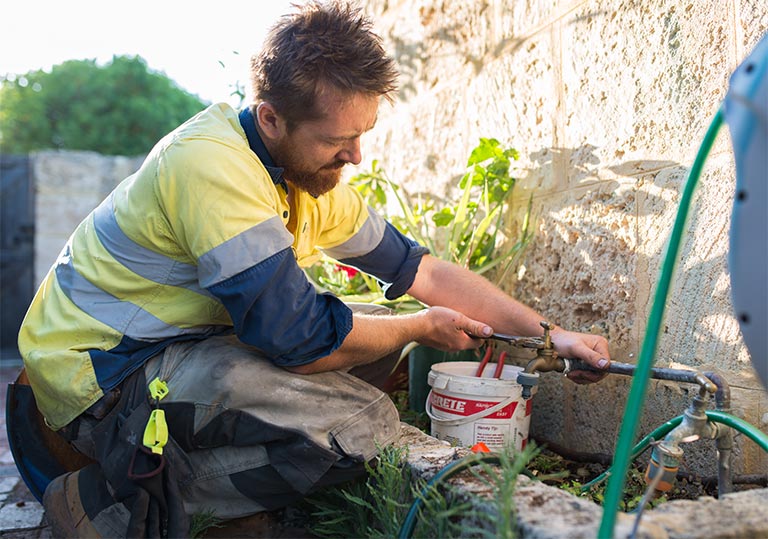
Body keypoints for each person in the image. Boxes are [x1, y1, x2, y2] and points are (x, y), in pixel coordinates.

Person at [18, 1, 610, 536]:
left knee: (373, 337)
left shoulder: (305, 175)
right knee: (363, 425)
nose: (356, 156)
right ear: (271, 118)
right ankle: (105, 508)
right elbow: (297, 339)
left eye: (362, 134)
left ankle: (209, 481)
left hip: (171, 348)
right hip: (100, 378)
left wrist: (549, 333)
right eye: (339, 139)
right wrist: (416, 327)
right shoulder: (211, 167)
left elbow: (420, 271)